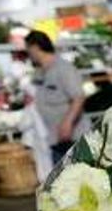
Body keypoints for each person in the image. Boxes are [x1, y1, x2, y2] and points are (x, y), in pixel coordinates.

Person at [25, 30, 87, 163]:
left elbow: (78, 97)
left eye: (28, 49)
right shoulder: (39, 72)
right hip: (55, 140)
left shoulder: (63, 68)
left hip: (74, 139)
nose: (28, 54)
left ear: (35, 47)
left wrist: (67, 123)